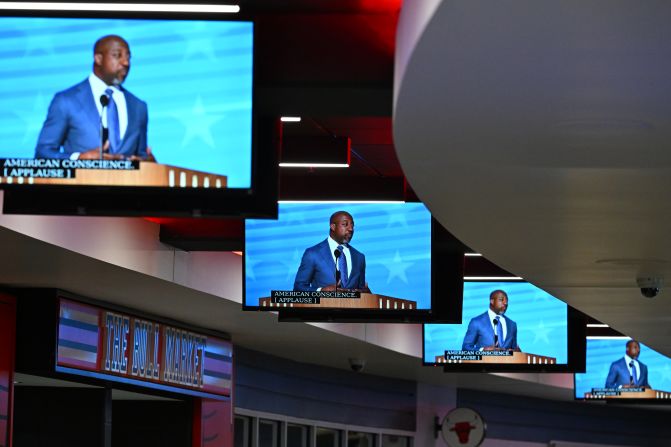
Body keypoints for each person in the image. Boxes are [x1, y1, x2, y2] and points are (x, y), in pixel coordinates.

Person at [35, 35, 152, 161]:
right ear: (98, 58)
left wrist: (147, 162)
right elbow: (43, 153)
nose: (126, 63)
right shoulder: (66, 101)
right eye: (117, 55)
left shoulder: (138, 107)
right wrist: (79, 158)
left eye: (128, 57)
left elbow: (142, 156)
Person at [293, 211, 370, 292]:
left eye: (352, 225)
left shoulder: (359, 257)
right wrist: (321, 291)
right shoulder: (313, 253)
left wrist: (366, 292)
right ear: (333, 226)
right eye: (345, 224)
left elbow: (362, 290)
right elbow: (298, 288)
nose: (350, 229)